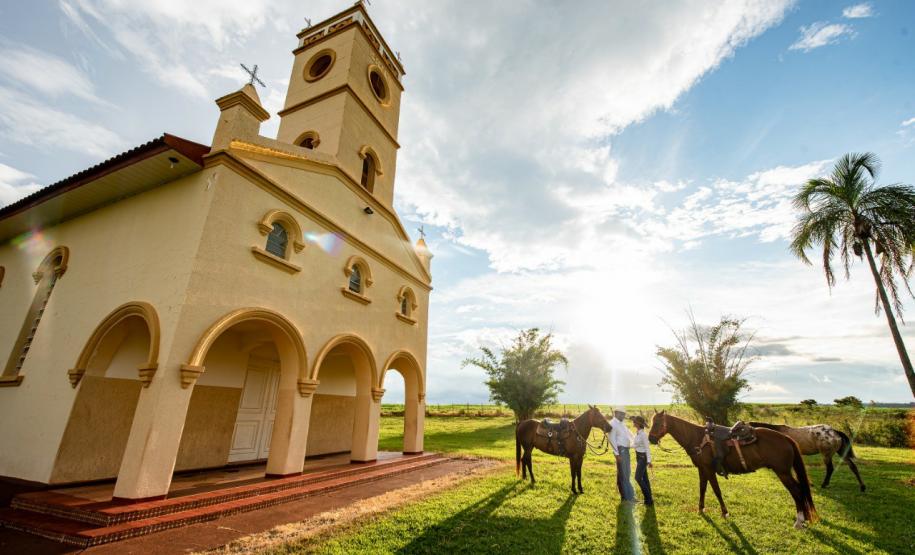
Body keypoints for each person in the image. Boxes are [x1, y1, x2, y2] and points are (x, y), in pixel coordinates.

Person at [609, 406, 635, 502]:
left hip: (626, 450)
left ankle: (628, 496)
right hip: (620, 451)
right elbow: (612, 440)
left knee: (627, 472)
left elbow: (629, 434)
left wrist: (636, 442)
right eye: (621, 414)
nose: (623, 416)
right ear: (616, 413)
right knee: (623, 474)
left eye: (624, 414)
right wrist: (616, 454)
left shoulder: (622, 423)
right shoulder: (612, 424)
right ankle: (626, 497)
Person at [630, 415, 654, 506]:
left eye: (634, 421)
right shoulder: (637, 433)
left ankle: (648, 498)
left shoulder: (643, 434)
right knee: (645, 479)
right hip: (638, 457)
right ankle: (648, 500)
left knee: (637, 478)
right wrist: (626, 446)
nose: (633, 422)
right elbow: (635, 445)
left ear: (638, 424)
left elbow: (647, 448)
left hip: (643, 458)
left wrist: (649, 461)